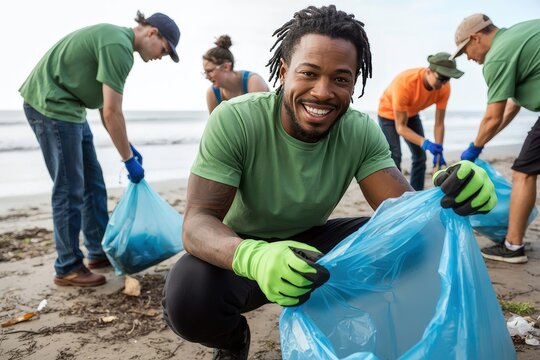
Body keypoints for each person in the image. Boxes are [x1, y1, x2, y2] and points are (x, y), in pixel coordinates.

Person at [162, 5, 496, 359]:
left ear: (354, 82)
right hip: (243, 252)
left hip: (312, 249)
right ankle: (232, 342)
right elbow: (197, 222)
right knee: (189, 299)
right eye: (308, 73)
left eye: (340, 78)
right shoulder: (236, 120)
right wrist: (254, 257)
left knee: (415, 242)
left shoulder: (358, 130)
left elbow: (405, 214)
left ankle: (363, 332)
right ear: (283, 71)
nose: (322, 92)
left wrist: (452, 193)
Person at [19, 11, 180, 287]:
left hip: (71, 107)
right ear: (152, 32)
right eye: (164, 51)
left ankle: (97, 253)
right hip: (51, 105)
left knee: (93, 183)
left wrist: (126, 147)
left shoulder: (117, 41)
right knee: (69, 188)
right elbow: (111, 112)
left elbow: (106, 110)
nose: (159, 57)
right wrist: (128, 159)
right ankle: (67, 267)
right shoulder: (118, 47)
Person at [451, 14, 539, 264]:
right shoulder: (518, 34)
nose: (468, 57)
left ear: (475, 37)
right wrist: (482, 143)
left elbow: (493, 116)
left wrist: (474, 148)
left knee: (523, 172)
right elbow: (511, 108)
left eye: (465, 50)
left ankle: (512, 246)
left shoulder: (498, 56)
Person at [377, 52, 464, 190]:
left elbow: (439, 123)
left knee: (420, 157)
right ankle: (395, 195)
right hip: (388, 114)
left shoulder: (444, 88)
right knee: (395, 156)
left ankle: (415, 194)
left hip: (411, 113)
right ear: (429, 71)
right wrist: (426, 143)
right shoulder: (405, 83)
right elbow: (400, 127)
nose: (443, 84)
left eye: (447, 79)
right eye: (441, 78)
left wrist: (438, 151)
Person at [202, 34, 269, 113]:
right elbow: (214, 125)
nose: (206, 77)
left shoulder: (254, 81)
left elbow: (260, 119)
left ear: (226, 67)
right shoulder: (212, 93)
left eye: (210, 71)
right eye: (205, 72)